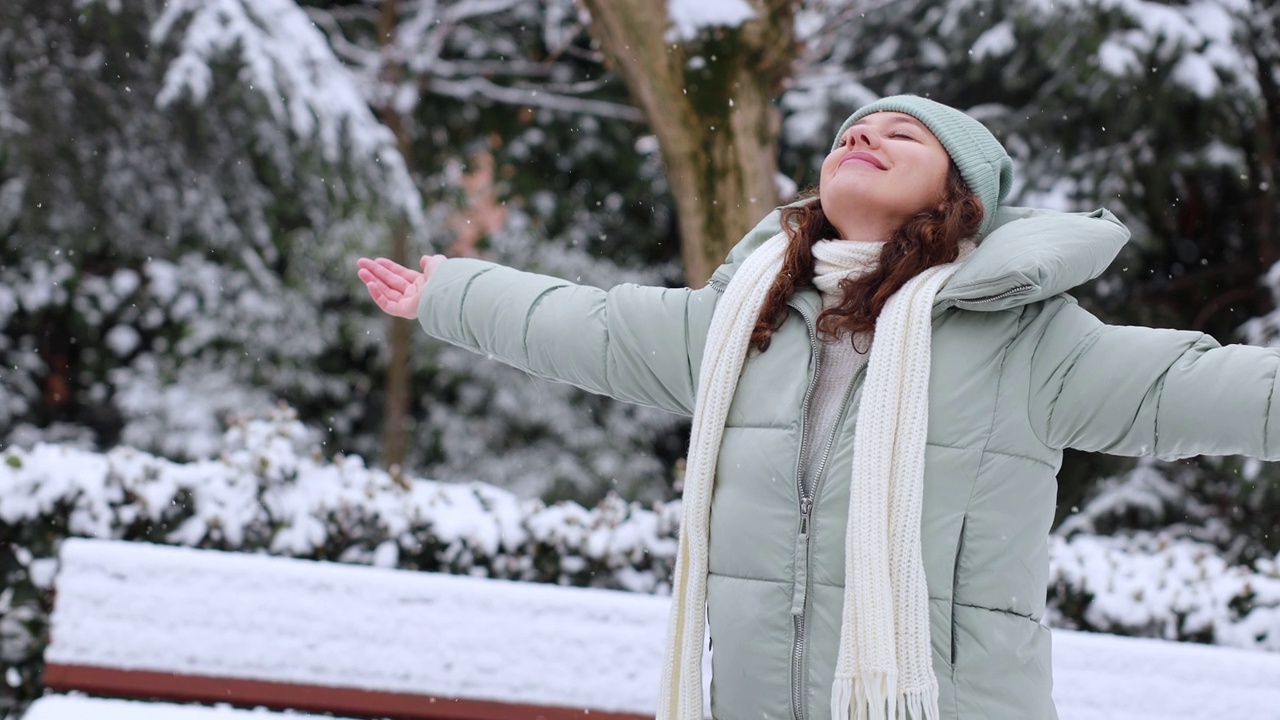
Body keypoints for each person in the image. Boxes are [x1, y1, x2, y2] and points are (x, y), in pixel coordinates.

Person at [356, 95, 1280, 720]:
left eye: (897, 136)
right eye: (847, 135)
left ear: (959, 195)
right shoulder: (742, 327)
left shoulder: (1030, 342)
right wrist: (451, 294)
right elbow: (591, 327)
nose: (859, 140)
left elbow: (1192, 385)